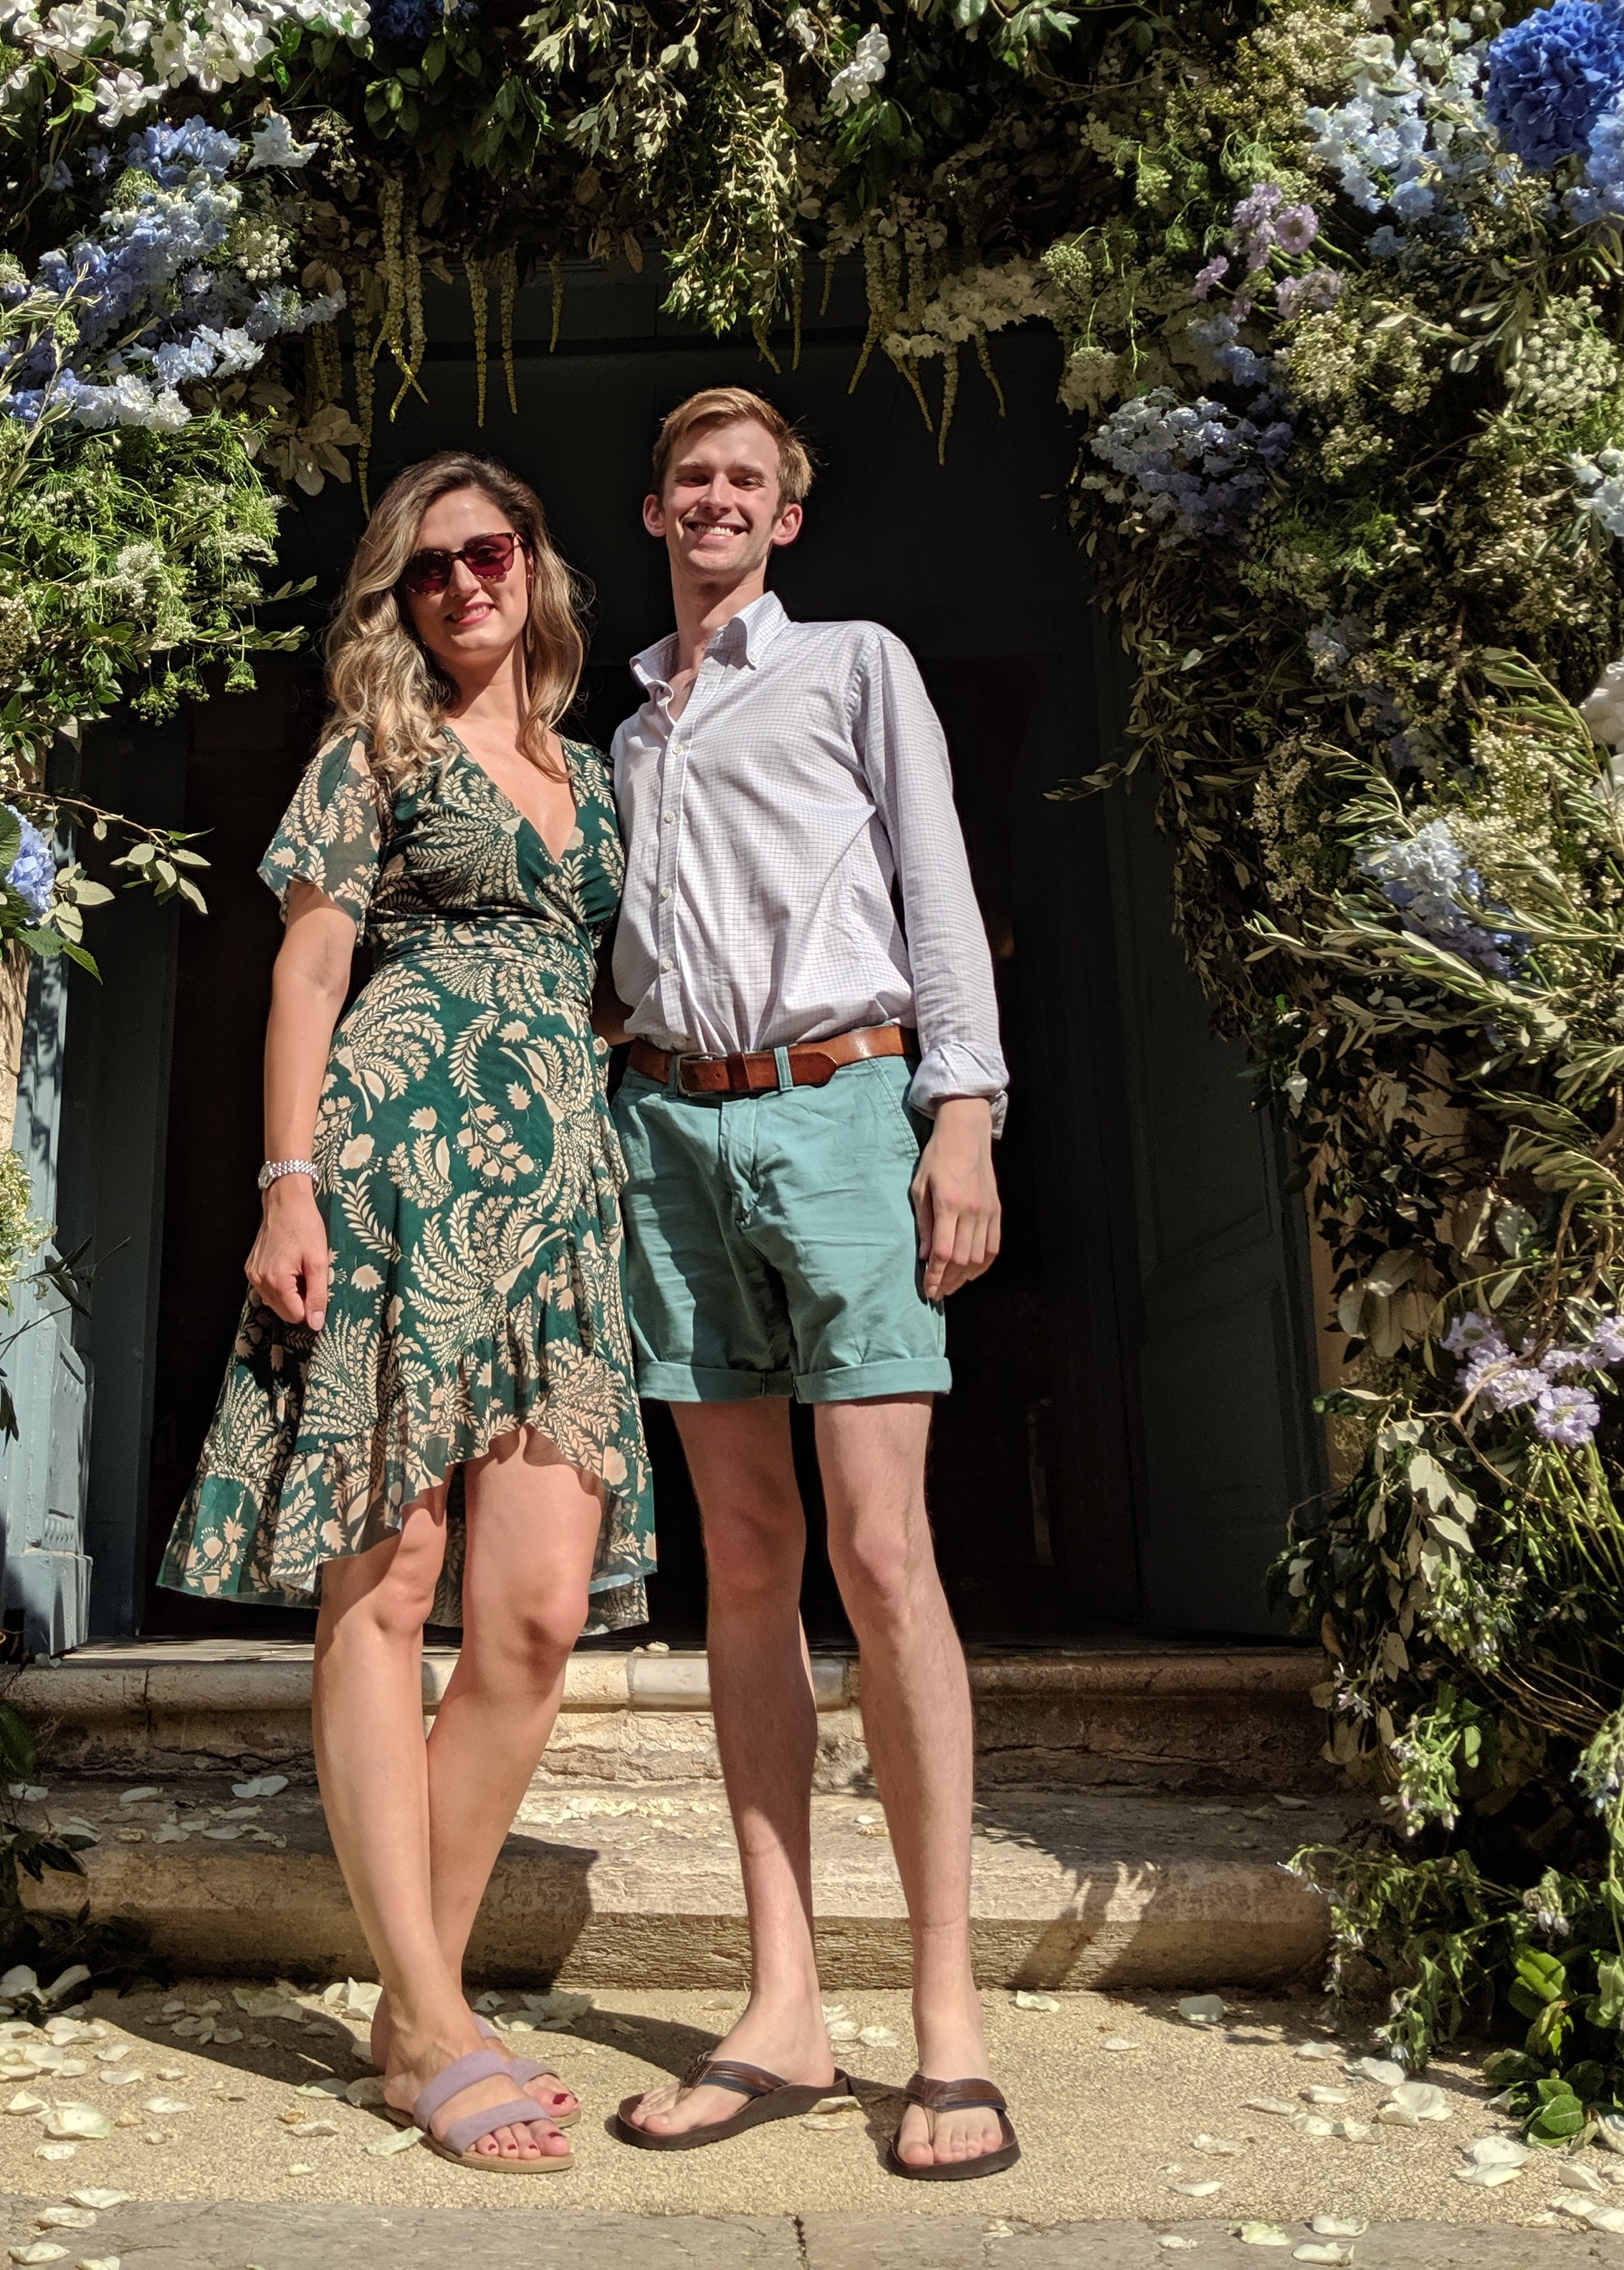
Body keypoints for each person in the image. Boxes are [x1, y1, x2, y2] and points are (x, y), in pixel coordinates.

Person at [160, 451, 653, 2177]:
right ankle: (435, 2021)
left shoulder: (597, 775)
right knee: (392, 1588)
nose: (462, 584)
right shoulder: (374, 752)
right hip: (391, 1170)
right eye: (427, 569)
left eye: (489, 551)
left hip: (558, 1202)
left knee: (530, 1616)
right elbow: (306, 966)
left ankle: (407, 1996)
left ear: (537, 568)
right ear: (399, 598)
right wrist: (287, 1183)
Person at [606, 385, 1017, 2182]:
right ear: (654, 514)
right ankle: (782, 2011)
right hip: (670, 1135)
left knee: (883, 1549)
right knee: (745, 1566)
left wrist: (965, 1116)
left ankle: (948, 2026)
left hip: (847, 1106)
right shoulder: (624, 727)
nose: (717, 500)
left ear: (785, 516)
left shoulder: (855, 662)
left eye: (746, 481)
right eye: (691, 477)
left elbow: (938, 887)